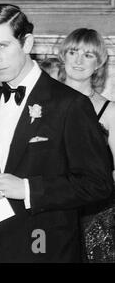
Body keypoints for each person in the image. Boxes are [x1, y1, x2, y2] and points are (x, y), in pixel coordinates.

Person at [0, 4, 113, 262]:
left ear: (27, 43)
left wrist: (28, 189)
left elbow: (98, 184)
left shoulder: (70, 104)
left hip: (44, 248)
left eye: (3, 46)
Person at [58, 28, 115, 262]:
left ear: (99, 63)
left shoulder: (110, 111)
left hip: (97, 215)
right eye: (73, 52)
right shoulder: (42, 104)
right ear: (64, 57)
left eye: (88, 55)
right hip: (53, 209)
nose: (79, 60)